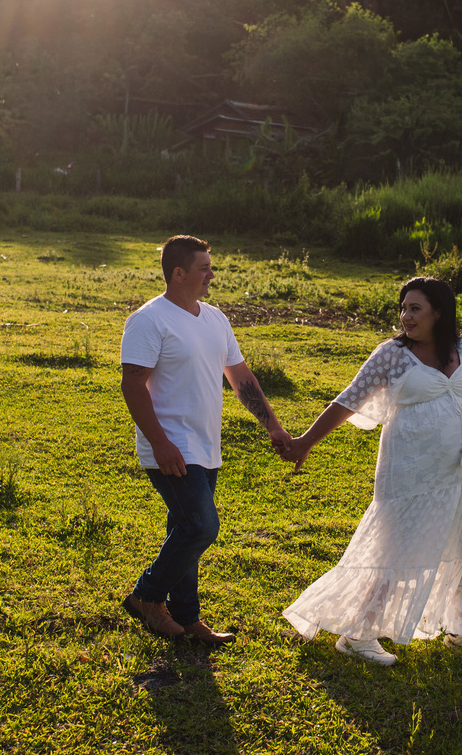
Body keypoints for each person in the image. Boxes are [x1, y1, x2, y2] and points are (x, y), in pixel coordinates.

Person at [281, 277, 462, 665]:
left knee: (461, 545)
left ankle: (461, 628)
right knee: (394, 546)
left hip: (456, 470)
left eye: (415, 308)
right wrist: (305, 441)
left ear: (439, 312)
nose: (406, 316)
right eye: (404, 308)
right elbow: (347, 401)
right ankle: (358, 633)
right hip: (409, 467)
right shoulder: (392, 355)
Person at [120, 235, 290, 643]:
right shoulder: (149, 320)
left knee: (185, 528)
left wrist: (272, 425)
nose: (211, 275)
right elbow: (132, 386)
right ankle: (146, 597)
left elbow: (241, 378)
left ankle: (187, 619)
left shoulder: (215, 319)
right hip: (171, 445)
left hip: (206, 445)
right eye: (204, 268)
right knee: (200, 526)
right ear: (178, 274)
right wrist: (160, 443)